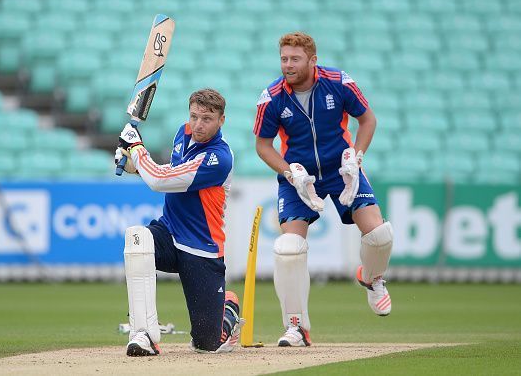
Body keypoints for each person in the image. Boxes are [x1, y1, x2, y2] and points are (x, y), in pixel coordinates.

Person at [253, 32, 393, 347]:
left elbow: (368, 120)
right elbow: (263, 146)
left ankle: (372, 279)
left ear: (312, 60)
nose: (287, 65)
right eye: (284, 59)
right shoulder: (271, 97)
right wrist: (289, 173)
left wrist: (356, 158)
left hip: (341, 170)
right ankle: (297, 327)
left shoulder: (339, 82)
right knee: (288, 247)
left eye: (295, 59)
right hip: (299, 177)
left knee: (380, 235)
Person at [114, 88, 243, 356]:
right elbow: (171, 175)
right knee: (137, 237)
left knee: (206, 345)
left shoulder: (219, 158)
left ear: (221, 120)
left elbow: (161, 181)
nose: (198, 124)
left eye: (207, 119)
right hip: (169, 232)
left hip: (201, 248)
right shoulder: (182, 133)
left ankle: (228, 309)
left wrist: (136, 149)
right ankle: (143, 333)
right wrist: (134, 167)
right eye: (194, 116)